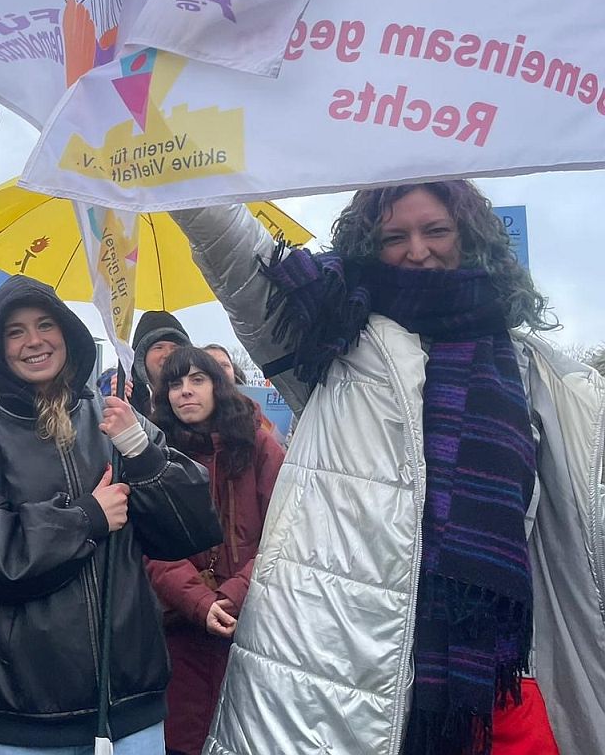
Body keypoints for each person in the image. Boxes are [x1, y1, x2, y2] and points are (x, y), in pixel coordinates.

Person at [172, 181, 604, 755]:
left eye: (436, 230)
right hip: (347, 666)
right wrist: (177, 168)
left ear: (469, 237)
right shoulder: (334, 340)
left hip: (495, 675)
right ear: (368, 246)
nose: (417, 250)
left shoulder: (534, 370)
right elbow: (239, 257)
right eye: (394, 236)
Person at [0, 275, 221, 755]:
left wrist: (141, 453)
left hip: (131, 706)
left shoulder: (118, 419)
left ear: (69, 333)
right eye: (15, 331)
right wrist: (86, 518)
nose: (34, 341)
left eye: (45, 324)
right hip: (23, 714)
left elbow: (193, 529)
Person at [144, 347, 284, 755]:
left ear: (217, 386)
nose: (185, 391)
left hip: (253, 624)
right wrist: (199, 602)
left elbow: (283, 532)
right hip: (179, 628)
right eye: (175, 383)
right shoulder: (156, 454)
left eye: (196, 380)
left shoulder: (259, 446)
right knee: (183, 740)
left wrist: (230, 596)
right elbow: (152, 544)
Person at [128, 310, 191, 418]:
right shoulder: (129, 400)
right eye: (159, 347)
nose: (167, 354)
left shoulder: (197, 396)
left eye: (175, 348)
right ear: (141, 358)